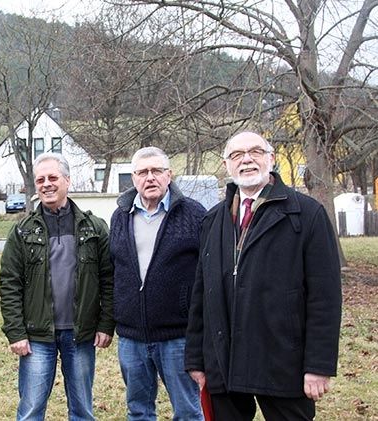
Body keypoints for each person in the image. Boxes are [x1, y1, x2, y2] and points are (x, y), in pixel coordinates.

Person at [185, 131, 342, 420]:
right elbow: (201, 294)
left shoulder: (306, 215)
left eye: (256, 151)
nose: (246, 159)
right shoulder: (214, 220)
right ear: (226, 165)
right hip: (224, 361)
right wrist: (196, 358)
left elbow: (326, 297)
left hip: (282, 361)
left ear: (271, 158)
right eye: (236, 155)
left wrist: (318, 365)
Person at [0, 152, 114, 421]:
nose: (46, 184)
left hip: (81, 334)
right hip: (37, 335)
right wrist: (16, 332)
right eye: (41, 179)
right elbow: (9, 284)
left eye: (53, 177)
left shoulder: (94, 228)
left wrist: (106, 324)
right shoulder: (22, 231)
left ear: (67, 181)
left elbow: (109, 279)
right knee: (30, 410)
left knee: (83, 410)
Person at [109, 146, 205, 421]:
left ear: (169, 175)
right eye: (142, 172)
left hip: (178, 336)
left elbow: (206, 272)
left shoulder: (193, 214)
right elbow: (114, 269)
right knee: (138, 410)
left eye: (156, 171)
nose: (149, 177)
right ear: (133, 178)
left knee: (188, 411)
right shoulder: (121, 215)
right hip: (132, 337)